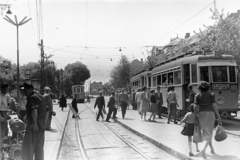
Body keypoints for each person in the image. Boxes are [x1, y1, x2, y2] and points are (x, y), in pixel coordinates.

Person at [194, 81, 221, 159]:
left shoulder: (197, 95)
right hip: (210, 114)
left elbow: (195, 107)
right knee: (209, 133)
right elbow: (214, 105)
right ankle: (204, 149)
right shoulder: (211, 95)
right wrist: (218, 116)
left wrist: (195, 115)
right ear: (207, 87)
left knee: (206, 132)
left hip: (201, 114)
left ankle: (212, 149)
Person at [21, 83, 46, 160]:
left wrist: (34, 123)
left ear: (31, 89)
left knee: (28, 148)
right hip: (41, 126)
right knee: (39, 148)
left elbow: (34, 110)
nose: (24, 92)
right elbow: (47, 110)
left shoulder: (32, 98)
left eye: (26, 90)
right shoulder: (41, 97)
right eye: (24, 90)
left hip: (33, 127)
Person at [0, 84, 10, 159]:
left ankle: (3, 146)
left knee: (5, 131)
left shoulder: (5, 96)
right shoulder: (0, 96)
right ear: (2, 89)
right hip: (1, 114)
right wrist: (0, 117)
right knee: (2, 132)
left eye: (6, 89)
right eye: (5, 89)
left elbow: (6, 106)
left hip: (5, 114)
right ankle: (1, 147)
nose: (6, 91)